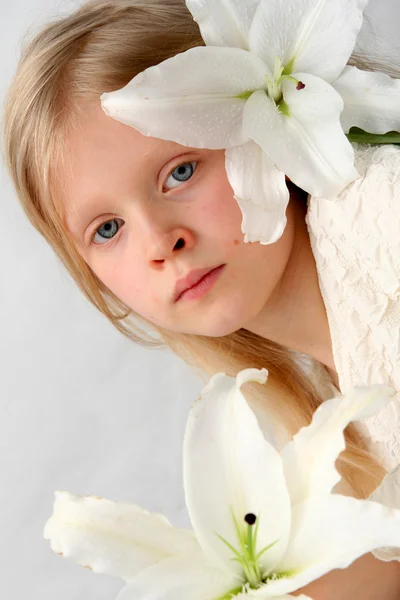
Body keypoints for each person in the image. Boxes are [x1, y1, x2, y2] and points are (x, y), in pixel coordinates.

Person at [3, 0, 400, 597]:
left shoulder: (379, 215)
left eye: (180, 172)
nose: (162, 243)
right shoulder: (319, 395)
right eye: (107, 230)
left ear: (264, 120)